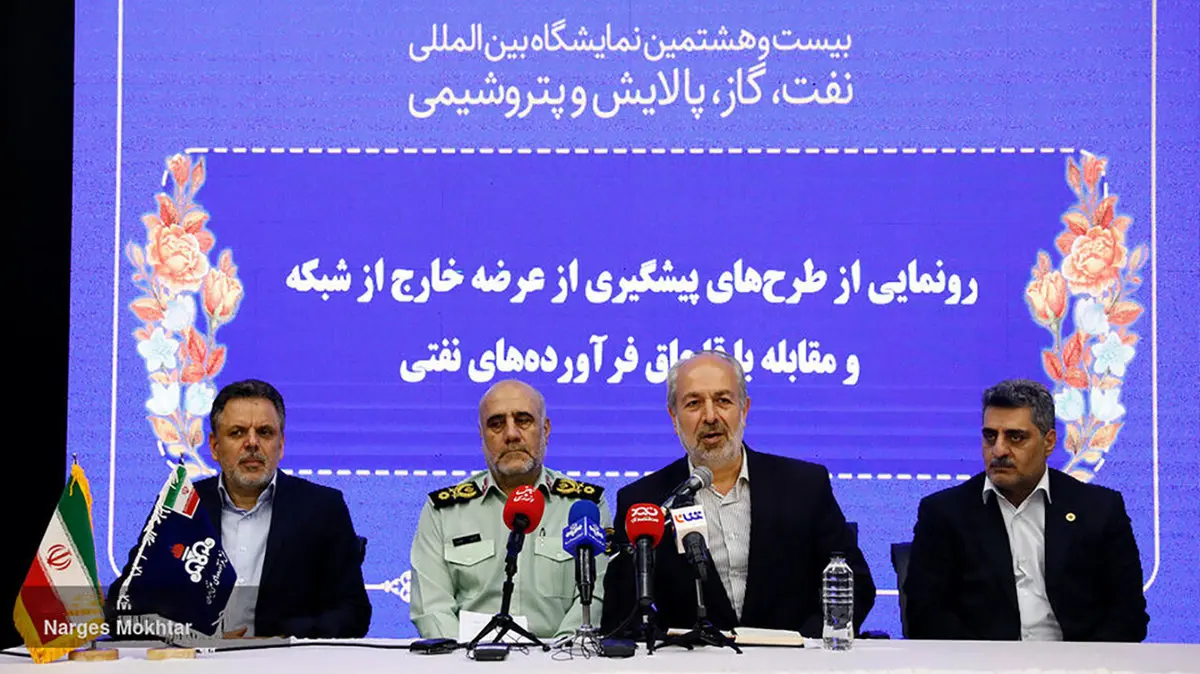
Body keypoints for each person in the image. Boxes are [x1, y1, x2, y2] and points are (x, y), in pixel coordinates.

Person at [599, 350, 875, 638]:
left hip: (796, 657)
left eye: (723, 401)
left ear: (744, 409)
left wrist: (807, 645)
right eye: (693, 404)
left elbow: (856, 586)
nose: (710, 416)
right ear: (673, 417)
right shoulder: (644, 502)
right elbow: (622, 613)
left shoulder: (804, 486)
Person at [107, 379, 372, 639]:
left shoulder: (322, 508)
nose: (252, 443)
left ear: (281, 446)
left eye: (265, 432)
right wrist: (193, 637)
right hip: (198, 660)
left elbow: (354, 614)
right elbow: (123, 608)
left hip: (284, 661)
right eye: (237, 432)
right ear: (214, 447)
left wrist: (281, 640)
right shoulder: (182, 507)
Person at [903, 378, 1148, 641]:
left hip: (1078, 659)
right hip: (981, 661)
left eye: (1015, 437)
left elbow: (1129, 614)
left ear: (1049, 442)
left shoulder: (1099, 509)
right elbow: (924, 615)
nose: (998, 450)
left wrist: (1085, 661)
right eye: (990, 436)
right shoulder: (944, 513)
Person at [409, 379, 612, 641]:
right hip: (467, 658)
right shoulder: (444, 511)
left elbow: (597, 595)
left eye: (523, 420)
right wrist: (461, 656)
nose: (511, 434)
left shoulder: (585, 507)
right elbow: (431, 607)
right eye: (496, 424)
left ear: (545, 429)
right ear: (481, 435)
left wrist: (557, 655)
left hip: (559, 657)